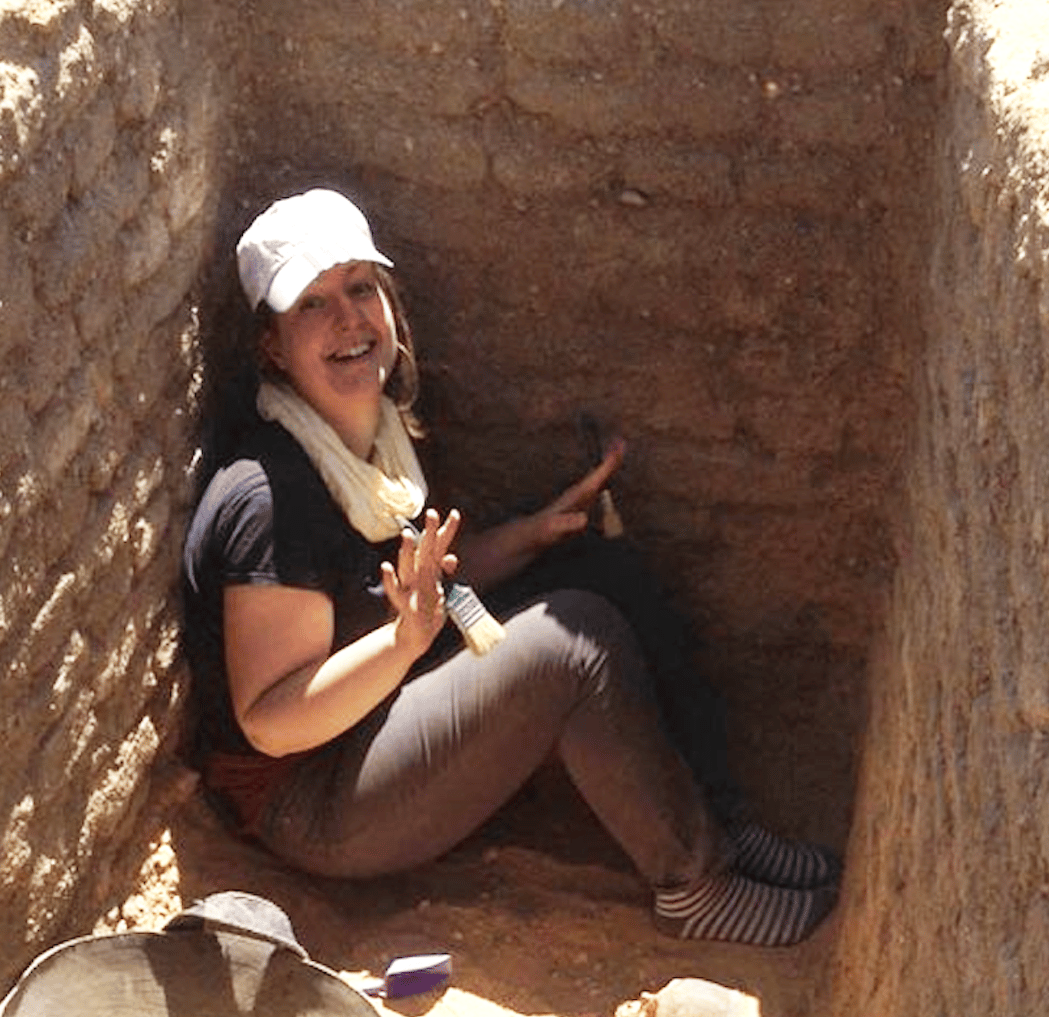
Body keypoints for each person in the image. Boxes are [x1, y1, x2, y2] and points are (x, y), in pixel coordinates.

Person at [181, 187, 841, 947]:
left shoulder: (370, 447)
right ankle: (694, 884)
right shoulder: (273, 499)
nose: (349, 320)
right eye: (313, 305)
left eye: (361, 287)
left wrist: (531, 536)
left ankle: (721, 823)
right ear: (272, 346)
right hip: (312, 801)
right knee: (572, 646)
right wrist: (404, 642)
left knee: (594, 571)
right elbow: (273, 723)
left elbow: (411, 593)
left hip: (368, 722)